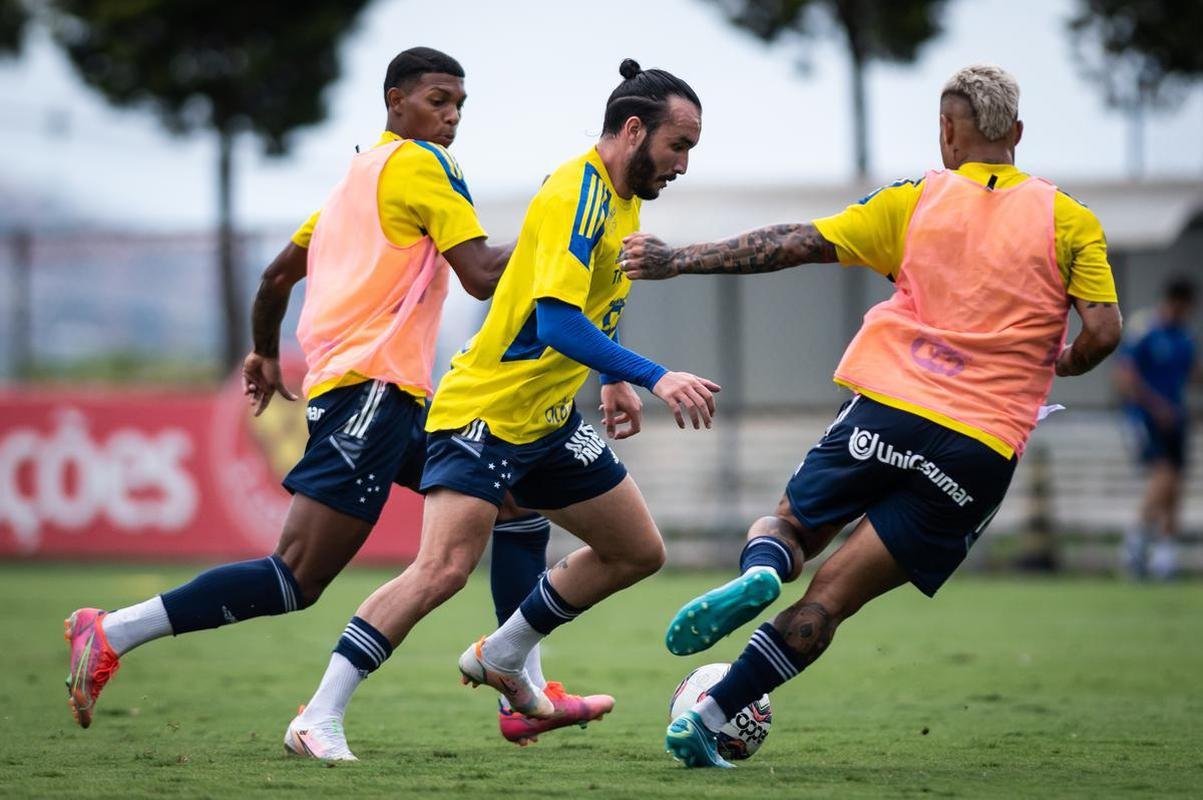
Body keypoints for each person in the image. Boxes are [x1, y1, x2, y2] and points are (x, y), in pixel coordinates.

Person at [63, 47, 601, 749]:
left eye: (460, 105)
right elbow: (478, 273)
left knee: (514, 506)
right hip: (372, 396)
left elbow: (276, 276)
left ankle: (519, 686)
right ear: (394, 101)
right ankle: (116, 630)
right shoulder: (421, 164)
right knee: (297, 576)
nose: (451, 117)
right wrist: (558, 225)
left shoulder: (358, 178)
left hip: (394, 397)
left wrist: (261, 349)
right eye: (439, 100)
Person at [620, 63, 1124, 768]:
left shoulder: (917, 200)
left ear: (946, 131)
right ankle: (710, 715)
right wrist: (1061, 362)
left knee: (792, 527)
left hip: (889, 411)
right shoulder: (1068, 219)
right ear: (1014, 133)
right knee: (832, 602)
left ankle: (767, 567)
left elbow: (796, 242)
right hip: (979, 446)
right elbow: (1103, 333)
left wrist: (681, 259)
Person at [286, 58, 718, 761]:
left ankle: (505, 653)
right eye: (679, 146)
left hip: (546, 419)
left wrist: (608, 376)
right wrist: (651, 375)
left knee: (635, 550)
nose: (683, 164)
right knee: (441, 571)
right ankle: (318, 716)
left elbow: (588, 301)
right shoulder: (575, 192)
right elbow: (552, 322)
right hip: (484, 412)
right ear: (633, 130)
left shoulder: (623, 199)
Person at [1116, 277, 1197, 580]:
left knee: (1176, 484)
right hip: (1145, 417)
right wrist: (1155, 406)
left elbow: (1192, 373)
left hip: (1176, 418)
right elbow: (1125, 377)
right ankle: (1135, 542)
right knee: (1164, 475)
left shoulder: (1186, 336)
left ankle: (1164, 553)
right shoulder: (1144, 329)